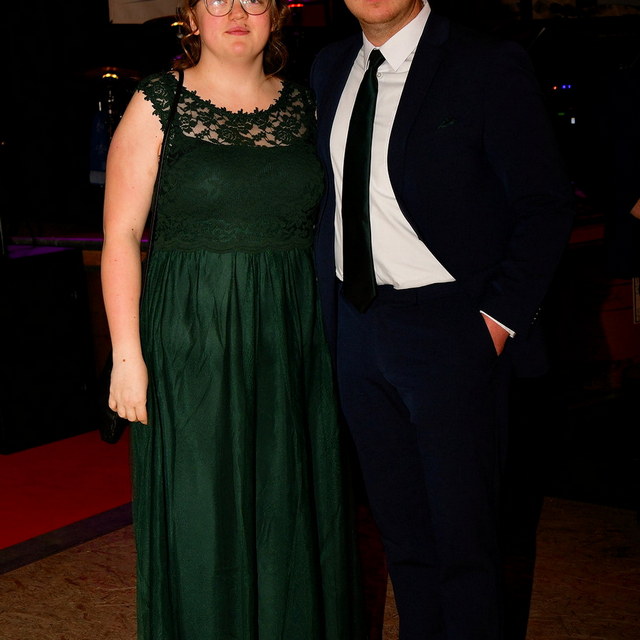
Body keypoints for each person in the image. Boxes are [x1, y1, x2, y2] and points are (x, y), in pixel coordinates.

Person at [309, 1, 575, 638]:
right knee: (402, 534)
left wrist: (497, 320)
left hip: (450, 327)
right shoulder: (330, 66)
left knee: (466, 543)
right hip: (357, 326)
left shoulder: (486, 63)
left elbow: (545, 203)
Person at [100, 0, 364, 637]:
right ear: (192, 17)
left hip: (291, 336)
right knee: (201, 510)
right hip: (191, 336)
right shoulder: (158, 102)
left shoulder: (306, 105)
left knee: (288, 505)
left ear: (276, 14)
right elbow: (121, 236)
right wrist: (127, 357)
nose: (237, 11)